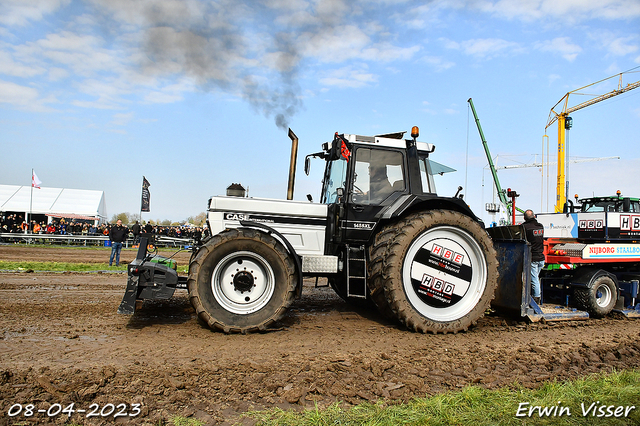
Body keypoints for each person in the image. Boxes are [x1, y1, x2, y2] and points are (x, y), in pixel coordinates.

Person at [523, 209, 545, 305]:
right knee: (535, 279)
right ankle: (534, 297)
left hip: (533, 259)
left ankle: (536, 300)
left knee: (534, 280)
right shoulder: (540, 226)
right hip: (541, 258)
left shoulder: (524, 227)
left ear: (524, 218)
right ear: (534, 216)